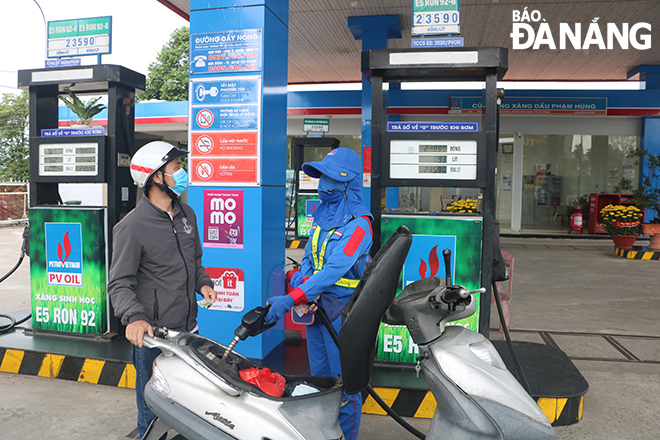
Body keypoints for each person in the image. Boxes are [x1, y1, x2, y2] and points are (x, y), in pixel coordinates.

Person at [108, 141, 216, 438]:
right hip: (154, 336)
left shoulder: (187, 215)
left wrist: (202, 283)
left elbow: (193, 261)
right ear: (156, 176)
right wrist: (134, 317)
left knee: (186, 405)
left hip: (188, 329)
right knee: (153, 410)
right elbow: (119, 282)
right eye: (176, 168)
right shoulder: (132, 226)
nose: (183, 173)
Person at [264, 147, 373, 440]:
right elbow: (312, 258)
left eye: (330, 178)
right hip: (316, 312)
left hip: (343, 315)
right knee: (321, 383)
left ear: (348, 182)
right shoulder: (322, 217)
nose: (323, 184)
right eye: (321, 176)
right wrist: (302, 281)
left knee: (345, 388)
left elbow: (334, 270)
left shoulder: (360, 226)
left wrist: (292, 297)